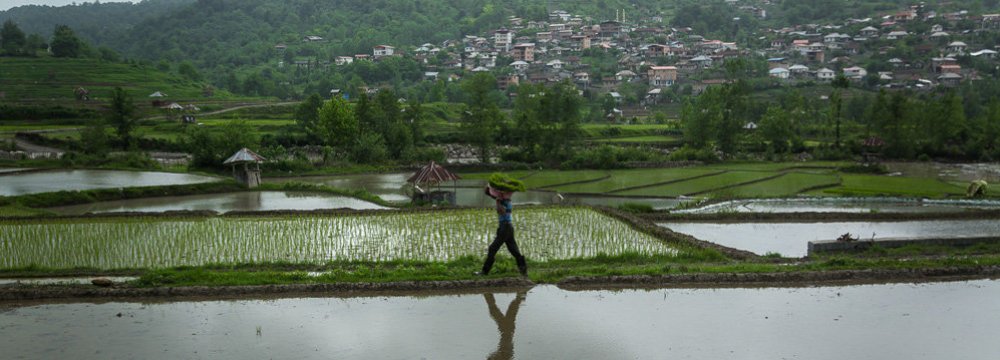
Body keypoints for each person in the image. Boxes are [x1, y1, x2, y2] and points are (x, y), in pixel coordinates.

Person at [478, 185, 527, 276]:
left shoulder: (505, 202)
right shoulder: (505, 200)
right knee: (514, 251)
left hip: (505, 228)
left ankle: (484, 272)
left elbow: (502, 211)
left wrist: (498, 202)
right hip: (507, 227)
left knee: (492, 249)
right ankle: (524, 272)